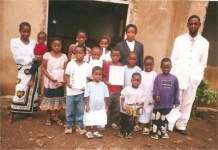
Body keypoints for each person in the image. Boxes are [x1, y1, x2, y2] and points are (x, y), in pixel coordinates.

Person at [171, 15, 209, 136]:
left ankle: (181, 125)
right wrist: (172, 76)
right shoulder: (179, 40)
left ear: (199, 25)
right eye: (191, 23)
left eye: (195, 24)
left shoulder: (204, 43)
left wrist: (198, 77)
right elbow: (173, 58)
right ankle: (170, 123)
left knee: (188, 102)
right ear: (187, 24)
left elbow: (203, 63)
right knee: (176, 101)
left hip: (193, 78)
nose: (193, 26)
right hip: (179, 75)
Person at [9, 22, 40, 123]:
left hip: (33, 69)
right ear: (20, 31)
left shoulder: (34, 42)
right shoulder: (14, 42)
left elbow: (38, 56)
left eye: (28, 31)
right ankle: (13, 112)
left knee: (31, 91)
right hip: (22, 70)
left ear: (30, 32)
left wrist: (35, 61)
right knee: (20, 90)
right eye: (24, 31)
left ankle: (28, 112)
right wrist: (32, 59)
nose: (26, 34)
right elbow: (17, 58)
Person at [39, 38, 67, 126]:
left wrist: (64, 81)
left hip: (60, 81)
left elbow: (66, 69)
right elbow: (43, 67)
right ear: (51, 45)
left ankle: (56, 116)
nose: (57, 47)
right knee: (49, 99)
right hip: (50, 81)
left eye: (59, 46)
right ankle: (48, 117)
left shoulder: (64, 56)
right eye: (55, 45)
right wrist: (50, 78)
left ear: (61, 46)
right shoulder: (47, 55)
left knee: (59, 99)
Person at [151, 58, 180, 139]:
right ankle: (154, 132)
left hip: (168, 104)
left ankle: (162, 132)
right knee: (156, 118)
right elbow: (155, 88)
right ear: (161, 67)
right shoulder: (158, 77)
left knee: (164, 119)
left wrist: (176, 101)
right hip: (159, 103)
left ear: (171, 67)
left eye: (168, 67)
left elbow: (176, 90)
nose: (166, 69)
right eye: (164, 67)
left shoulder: (174, 78)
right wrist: (156, 95)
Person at [64, 45, 89, 134]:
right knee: (69, 110)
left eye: (80, 53)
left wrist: (85, 86)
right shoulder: (70, 64)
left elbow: (88, 78)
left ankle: (79, 125)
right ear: (74, 53)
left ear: (85, 54)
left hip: (81, 92)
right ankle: (69, 125)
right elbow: (67, 75)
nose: (78, 55)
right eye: (76, 53)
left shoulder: (87, 65)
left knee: (80, 110)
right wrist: (68, 82)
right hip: (71, 92)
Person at [83, 66, 109, 139]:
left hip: (100, 105)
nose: (98, 76)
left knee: (96, 117)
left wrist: (105, 105)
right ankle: (88, 131)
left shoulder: (104, 86)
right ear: (92, 75)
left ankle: (94, 130)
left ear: (102, 75)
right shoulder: (89, 85)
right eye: (96, 74)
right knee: (89, 118)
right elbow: (87, 96)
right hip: (91, 105)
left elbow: (105, 96)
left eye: (100, 74)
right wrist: (87, 105)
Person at [118, 73, 144, 138]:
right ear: (131, 80)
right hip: (126, 106)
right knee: (123, 120)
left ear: (140, 82)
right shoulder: (127, 89)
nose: (136, 82)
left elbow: (142, 101)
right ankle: (121, 131)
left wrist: (140, 106)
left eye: (138, 81)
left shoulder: (141, 91)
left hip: (134, 108)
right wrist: (122, 105)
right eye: (134, 80)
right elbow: (122, 97)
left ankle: (128, 132)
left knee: (131, 121)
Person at [103, 49, 123, 129]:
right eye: (113, 55)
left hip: (117, 90)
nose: (115, 57)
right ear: (110, 56)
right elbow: (104, 76)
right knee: (107, 107)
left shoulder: (121, 66)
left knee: (115, 108)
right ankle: (104, 122)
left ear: (120, 56)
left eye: (117, 55)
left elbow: (121, 79)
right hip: (109, 90)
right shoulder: (107, 65)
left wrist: (121, 90)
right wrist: (106, 82)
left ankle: (112, 121)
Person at [138, 56, 157, 135]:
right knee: (140, 111)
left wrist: (152, 98)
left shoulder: (154, 74)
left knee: (148, 111)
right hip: (141, 96)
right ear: (143, 65)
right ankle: (138, 124)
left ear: (153, 64)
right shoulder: (141, 73)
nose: (148, 67)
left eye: (150, 65)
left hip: (150, 96)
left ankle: (147, 126)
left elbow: (156, 87)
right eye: (146, 65)